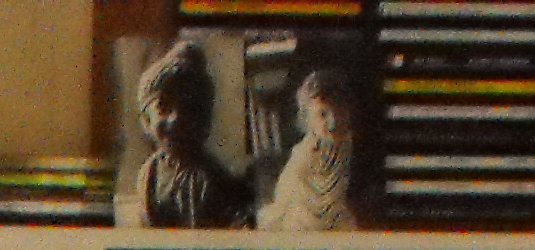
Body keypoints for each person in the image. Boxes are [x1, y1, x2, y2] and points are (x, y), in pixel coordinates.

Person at [119, 40, 250, 230]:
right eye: (163, 107)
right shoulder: (150, 171)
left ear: (204, 119)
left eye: (189, 108)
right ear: (146, 120)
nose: (176, 119)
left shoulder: (211, 180)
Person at [260, 63, 361, 234]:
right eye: (322, 114)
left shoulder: (356, 154)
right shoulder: (301, 155)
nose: (333, 123)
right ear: (308, 118)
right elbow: (284, 199)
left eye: (339, 112)